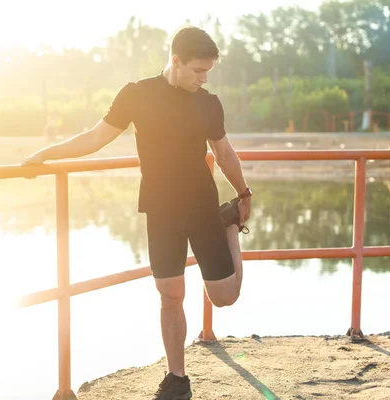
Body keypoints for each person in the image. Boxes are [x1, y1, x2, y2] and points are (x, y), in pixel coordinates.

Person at [22, 25, 252, 400]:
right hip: (160, 208)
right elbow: (95, 138)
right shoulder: (136, 95)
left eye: (207, 71)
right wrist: (47, 153)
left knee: (224, 297)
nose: (203, 78)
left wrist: (243, 194)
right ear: (175, 60)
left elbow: (224, 154)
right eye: (197, 70)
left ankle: (229, 229)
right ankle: (177, 379)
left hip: (203, 207)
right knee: (170, 295)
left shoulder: (209, 103)